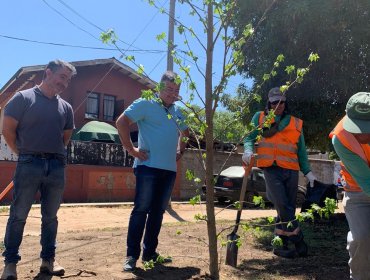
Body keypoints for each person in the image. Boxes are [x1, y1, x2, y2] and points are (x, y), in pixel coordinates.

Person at [1, 59, 76, 279]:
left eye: (68, 80)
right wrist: (24, 154)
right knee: (18, 215)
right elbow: (8, 131)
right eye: (62, 77)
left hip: (55, 166)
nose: (65, 83)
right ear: (48, 72)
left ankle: (48, 261)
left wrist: (53, 156)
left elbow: (65, 138)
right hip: (29, 163)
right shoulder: (23, 98)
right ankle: (10, 264)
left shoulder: (66, 107)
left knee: (50, 217)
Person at [116, 71, 189, 271]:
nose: (172, 93)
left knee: (157, 213)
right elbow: (121, 122)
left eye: (176, 90)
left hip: (169, 170)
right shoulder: (145, 103)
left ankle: (150, 254)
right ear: (159, 88)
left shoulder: (177, 111)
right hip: (147, 167)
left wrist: (180, 150)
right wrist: (131, 150)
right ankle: (131, 256)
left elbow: (187, 133)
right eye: (168, 89)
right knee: (141, 211)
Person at [242, 87, 317, 258]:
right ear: (269, 102)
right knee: (283, 205)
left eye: (282, 102)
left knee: (286, 208)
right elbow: (249, 138)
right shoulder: (259, 117)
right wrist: (247, 150)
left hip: (291, 170)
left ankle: (279, 244)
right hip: (270, 168)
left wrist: (308, 172)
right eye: (275, 102)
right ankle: (298, 239)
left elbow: (302, 151)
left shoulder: (296, 123)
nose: (279, 105)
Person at [329, 92, 370, 280]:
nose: (362, 134)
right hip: (358, 192)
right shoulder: (341, 138)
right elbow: (366, 180)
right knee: (362, 238)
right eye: (358, 128)